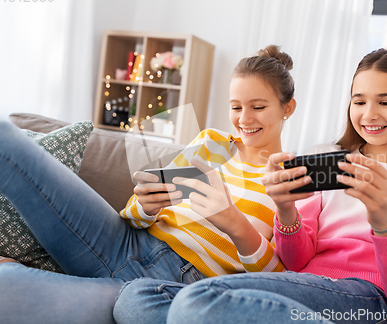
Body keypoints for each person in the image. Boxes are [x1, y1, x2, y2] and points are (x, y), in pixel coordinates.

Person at [0, 45, 295, 324]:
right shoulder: (212, 142)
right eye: (235, 107)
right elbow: (134, 211)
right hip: (124, 241)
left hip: (172, 286)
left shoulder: (291, 177)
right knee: (6, 140)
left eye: (258, 107)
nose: (244, 119)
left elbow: (284, 280)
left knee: (6, 286)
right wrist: (145, 205)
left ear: (287, 107)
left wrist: (234, 223)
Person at [164, 48, 387, 324]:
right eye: (359, 101)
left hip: (369, 298)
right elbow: (296, 262)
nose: (369, 114)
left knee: (193, 301)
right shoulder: (324, 158)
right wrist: (285, 208)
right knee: (142, 298)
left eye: (385, 102)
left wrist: (385, 224)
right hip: (303, 287)